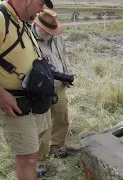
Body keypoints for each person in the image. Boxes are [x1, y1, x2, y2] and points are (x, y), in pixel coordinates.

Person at [0, 0, 54, 179]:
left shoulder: (20, 21)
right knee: (27, 159)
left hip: (31, 101)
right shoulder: (1, 18)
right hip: (15, 103)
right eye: (40, 3)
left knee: (30, 155)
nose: (41, 10)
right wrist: (1, 95)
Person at [31, 9, 74, 176]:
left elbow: (63, 55)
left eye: (52, 31)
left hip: (59, 85)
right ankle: (40, 161)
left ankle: (56, 148)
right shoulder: (29, 40)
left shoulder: (57, 37)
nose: (50, 34)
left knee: (62, 118)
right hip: (41, 90)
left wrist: (67, 73)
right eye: (47, 31)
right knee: (43, 126)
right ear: (38, 26)